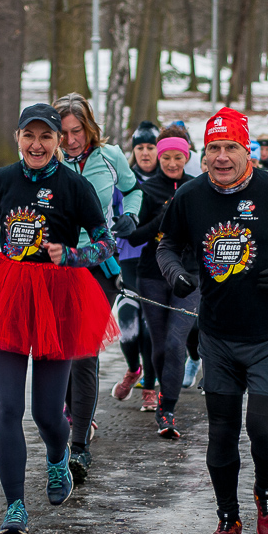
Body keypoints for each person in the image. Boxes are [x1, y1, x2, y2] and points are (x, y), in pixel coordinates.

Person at [155, 110, 268, 534]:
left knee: (263, 429)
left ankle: (266, 494)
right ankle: (227, 519)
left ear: (246, 149)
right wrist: (175, 272)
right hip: (218, 336)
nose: (221, 157)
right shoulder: (191, 196)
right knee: (222, 431)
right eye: (213, 148)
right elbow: (167, 244)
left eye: (231, 147)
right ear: (204, 153)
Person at [0, 104, 118, 534]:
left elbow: (106, 243)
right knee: (8, 408)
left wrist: (73, 256)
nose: (37, 145)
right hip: (9, 295)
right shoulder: (1, 179)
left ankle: (58, 458)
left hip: (58, 299)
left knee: (45, 413)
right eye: (29, 136)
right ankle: (15, 506)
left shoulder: (75, 186)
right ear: (18, 137)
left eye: (46, 136)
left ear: (59, 140)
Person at [54, 93, 142, 477]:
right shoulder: (46, 163)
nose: (71, 140)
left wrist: (132, 216)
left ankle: (78, 445)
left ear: (90, 127)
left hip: (98, 265)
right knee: (61, 351)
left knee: (84, 351)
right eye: (63, 132)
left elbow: (135, 189)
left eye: (78, 131)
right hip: (56, 265)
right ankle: (73, 412)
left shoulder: (112, 157)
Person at [125, 128, 199, 438]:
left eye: (177, 157)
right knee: (158, 347)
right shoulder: (147, 190)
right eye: (165, 156)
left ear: (187, 157)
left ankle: (167, 411)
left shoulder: (197, 189)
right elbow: (134, 236)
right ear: (158, 156)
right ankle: (158, 394)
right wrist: (161, 219)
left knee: (175, 342)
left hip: (190, 276)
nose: (171, 162)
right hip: (152, 275)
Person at [115, 121, 160, 409]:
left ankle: (150, 388)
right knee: (129, 328)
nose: (145, 153)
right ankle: (134, 369)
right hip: (127, 257)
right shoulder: (123, 179)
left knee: (149, 328)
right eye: (139, 147)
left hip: (158, 259)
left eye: (150, 147)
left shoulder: (169, 179)